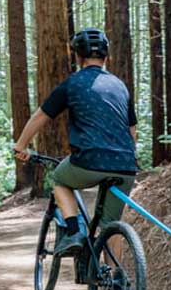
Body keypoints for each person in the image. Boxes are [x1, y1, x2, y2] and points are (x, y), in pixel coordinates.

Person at [14, 28, 138, 256]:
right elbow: (132, 131)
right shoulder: (120, 86)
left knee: (59, 179)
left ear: (78, 57)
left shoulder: (72, 84)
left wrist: (21, 145)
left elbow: (41, 115)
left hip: (89, 161)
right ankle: (115, 282)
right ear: (106, 57)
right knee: (111, 224)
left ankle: (74, 232)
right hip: (126, 165)